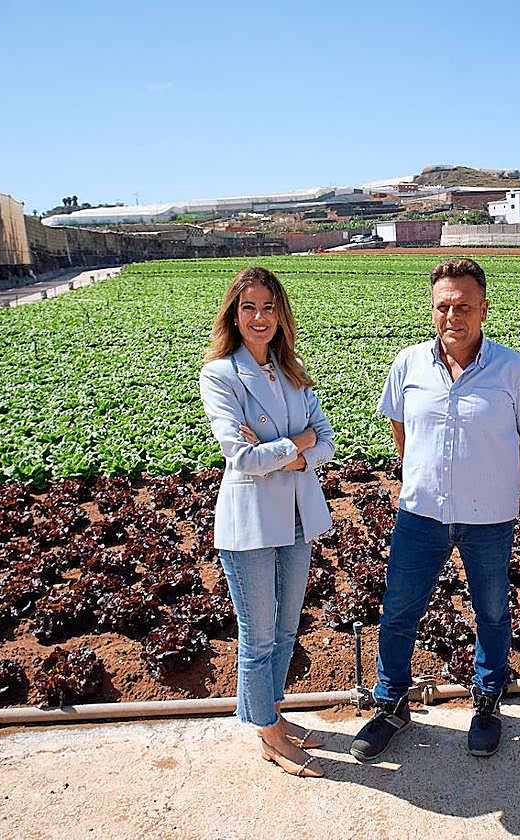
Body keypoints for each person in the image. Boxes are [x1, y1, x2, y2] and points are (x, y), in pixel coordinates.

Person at [350, 257, 520, 762]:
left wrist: (488, 474)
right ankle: (391, 703)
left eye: (463, 306)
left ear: (484, 308)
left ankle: (487, 700)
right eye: (443, 306)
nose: (452, 316)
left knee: (491, 610)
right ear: (432, 309)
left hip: (490, 516)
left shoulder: (514, 368)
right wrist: (428, 474)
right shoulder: (408, 364)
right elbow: (401, 432)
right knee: (398, 611)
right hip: (420, 512)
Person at [200, 266, 335, 778]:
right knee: (257, 635)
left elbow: (325, 441)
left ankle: (271, 711)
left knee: (285, 627)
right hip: (251, 523)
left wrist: (290, 450)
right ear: (234, 315)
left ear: (281, 315)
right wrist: (298, 445)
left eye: (269, 307)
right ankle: (267, 732)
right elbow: (242, 459)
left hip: (298, 516)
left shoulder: (292, 369)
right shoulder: (220, 375)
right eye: (249, 307)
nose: (260, 317)